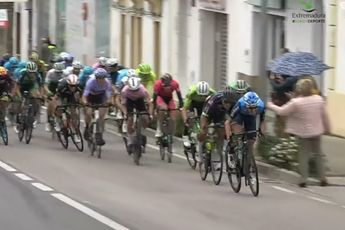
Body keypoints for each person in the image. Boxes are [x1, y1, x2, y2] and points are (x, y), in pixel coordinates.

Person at [267, 78, 330, 187]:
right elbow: (324, 115)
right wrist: (327, 128)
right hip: (317, 131)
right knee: (318, 154)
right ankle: (323, 178)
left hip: (304, 133)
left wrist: (271, 105)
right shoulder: (319, 99)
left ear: (299, 90)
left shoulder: (296, 102)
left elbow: (282, 111)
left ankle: (303, 179)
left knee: (303, 156)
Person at [225, 91, 265, 170]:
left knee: (251, 141)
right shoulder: (240, 104)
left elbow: (262, 120)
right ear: (246, 105)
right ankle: (233, 152)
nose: (253, 110)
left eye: (255, 108)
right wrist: (229, 138)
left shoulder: (261, 106)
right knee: (238, 135)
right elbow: (228, 122)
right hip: (239, 117)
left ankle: (248, 166)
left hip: (250, 119)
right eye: (250, 108)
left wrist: (261, 130)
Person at [199, 87, 238, 162]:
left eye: (230, 103)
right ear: (222, 99)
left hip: (221, 115)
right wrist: (203, 127)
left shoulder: (234, 102)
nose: (228, 105)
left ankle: (218, 156)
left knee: (221, 133)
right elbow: (204, 115)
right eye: (226, 102)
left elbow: (234, 118)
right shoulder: (215, 100)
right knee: (203, 131)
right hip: (209, 112)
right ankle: (200, 152)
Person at [119, 76, 153, 152]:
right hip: (129, 101)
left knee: (145, 117)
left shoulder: (143, 90)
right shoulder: (124, 91)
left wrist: (150, 114)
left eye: (136, 90)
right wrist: (125, 114)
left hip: (139, 101)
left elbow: (150, 103)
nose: (134, 92)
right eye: (132, 90)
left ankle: (142, 132)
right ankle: (130, 140)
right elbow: (123, 104)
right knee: (130, 119)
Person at [82, 68, 113, 145]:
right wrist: (85, 102)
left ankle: (99, 134)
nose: (101, 80)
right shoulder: (90, 82)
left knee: (101, 115)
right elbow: (85, 95)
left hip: (100, 96)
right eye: (99, 78)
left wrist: (109, 102)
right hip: (90, 96)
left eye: (103, 78)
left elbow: (108, 94)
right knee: (88, 112)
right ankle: (87, 127)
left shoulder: (107, 83)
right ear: (96, 78)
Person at [182, 81, 215, 148]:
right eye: (201, 95)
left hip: (205, 104)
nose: (203, 97)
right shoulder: (192, 93)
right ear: (197, 92)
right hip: (193, 102)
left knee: (207, 119)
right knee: (190, 117)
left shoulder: (213, 93)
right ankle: (185, 136)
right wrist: (185, 120)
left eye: (205, 95)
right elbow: (184, 108)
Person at [153, 73, 183, 138]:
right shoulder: (157, 84)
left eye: (168, 86)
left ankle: (171, 133)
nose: (166, 88)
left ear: (171, 83)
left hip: (169, 98)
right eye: (164, 86)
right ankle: (159, 128)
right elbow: (155, 98)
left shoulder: (175, 84)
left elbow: (180, 97)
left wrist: (180, 106)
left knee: (173, 116)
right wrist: (155, 108)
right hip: (160, 97)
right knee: (163, 108)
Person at [15, 62, 43, 132]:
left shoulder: (37, 75)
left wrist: (41, 95)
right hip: (22, 88)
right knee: (21, 103)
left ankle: (32, 118)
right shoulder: (22, 74)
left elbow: (41, 87)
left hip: (31, 87)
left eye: (33, 72)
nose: (32, 74)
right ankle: (18, 121)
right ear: (27, 71)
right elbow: (17, 87)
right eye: (30, 72)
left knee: (36, 101)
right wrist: (20, 96)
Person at [55, 74, 82, 142]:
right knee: (59, 107)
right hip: (62, 95)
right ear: (67, 84)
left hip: (71, 96)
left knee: (74, 115)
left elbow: (81, 97)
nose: (73, 88)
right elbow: (57, 97)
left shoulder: (79, 87)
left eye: (74, 86)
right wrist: (58, 106)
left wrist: (80, 103)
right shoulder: (62, 86)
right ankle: (57, 122)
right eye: (71, 86)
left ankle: (75, 134)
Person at [44, 62, 65, 132]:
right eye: (57, 72)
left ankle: (58, 119)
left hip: (60, 88)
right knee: (50, 104)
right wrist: (48, 92)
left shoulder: (64, 74)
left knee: (59, 105)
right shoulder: (50, 73)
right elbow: (46, 85)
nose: (59, 73)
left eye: (60, 72)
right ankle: (48, 121)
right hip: (51, 88)